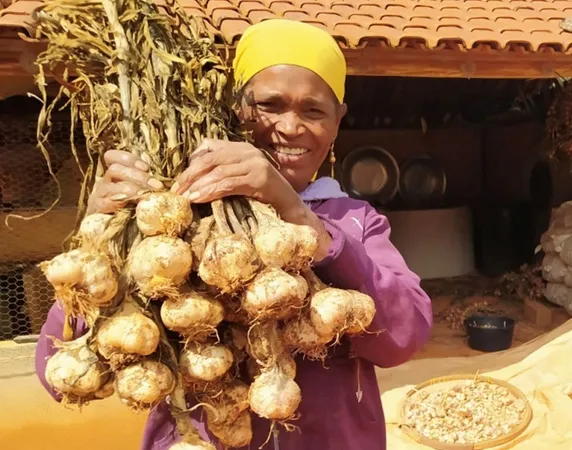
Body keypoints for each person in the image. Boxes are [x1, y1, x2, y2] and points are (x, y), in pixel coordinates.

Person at [34, 19, 433, 450]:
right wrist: (101, 236)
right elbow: (61, 374)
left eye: (313, 110)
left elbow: (404, 339)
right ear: (235, 109)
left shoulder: (354, 219)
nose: (291, 127)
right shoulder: (170, 219)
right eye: (270, 105)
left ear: (338, 121)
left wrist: (299, 216)